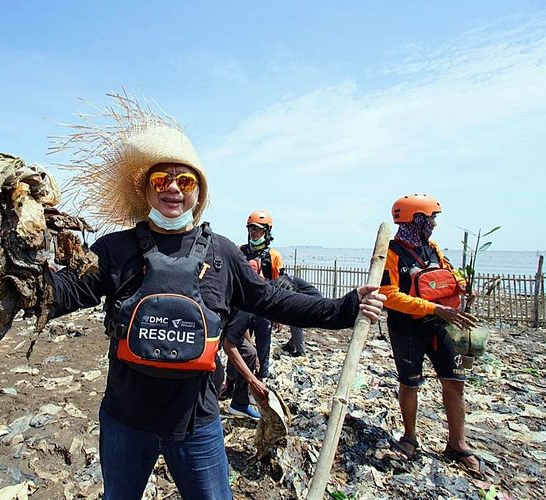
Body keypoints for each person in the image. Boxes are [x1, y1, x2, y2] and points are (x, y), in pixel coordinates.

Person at [48, 94, 386, 499]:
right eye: (161, 180)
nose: (173, 188)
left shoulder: (222, 253)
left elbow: (274, 301)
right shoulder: (114, 249)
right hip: (126, 418)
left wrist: (345, 308)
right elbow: (64, 292)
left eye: (184, 180)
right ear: (146, 190)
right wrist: (10, 276)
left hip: (198, 421)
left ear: (198, 190)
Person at [380, 193, 484, 478]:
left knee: (454, 381)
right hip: (407, 328)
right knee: (409, 383)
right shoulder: (391, 253)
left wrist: (461, 287)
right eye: (431, 218)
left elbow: (448, 274)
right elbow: (389, 296)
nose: (435, 224)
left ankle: (457, 444)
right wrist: (434, 308)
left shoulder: (433, 249)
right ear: (416, 219)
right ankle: (410, 437)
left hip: (441, 326)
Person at [220, 259, 271, 420]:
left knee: (249, 352)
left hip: (224, 327)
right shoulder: (249, 298)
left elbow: (241, 329)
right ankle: (238, 403)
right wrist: (253, 379)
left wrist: (251, 348)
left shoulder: (249, 295)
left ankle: (238, 398)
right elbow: (230, 343)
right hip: (215, 328)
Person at [239, 211, 284, 378]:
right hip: (243, 307)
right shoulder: (241, 252)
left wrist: (278, 314)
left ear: (267, 231)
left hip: (264, 309)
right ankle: (236, 379)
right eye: (251, 228)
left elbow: (278, 285)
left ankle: (261, 379)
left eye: (257, 229)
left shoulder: (273, 256)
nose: (253, 232)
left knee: (263, 346)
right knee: (238, 343)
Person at [278, 274, 323, 357]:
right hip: (313, 301)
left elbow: (286, 297)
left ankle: (300, 351)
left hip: (313, 304)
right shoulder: (286, 279)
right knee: (294, 320)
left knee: (294, 322)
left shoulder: (285, 282)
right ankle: (291, 345)